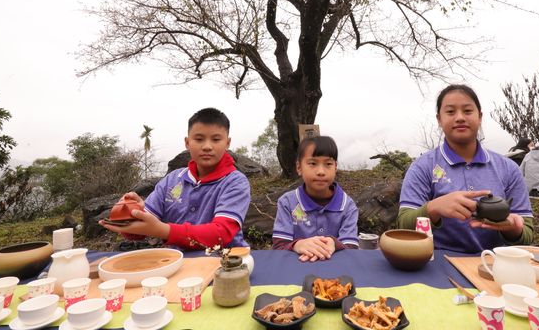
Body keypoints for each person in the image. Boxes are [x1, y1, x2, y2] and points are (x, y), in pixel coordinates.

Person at [397, 84, 534, 253]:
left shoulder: (508, 169)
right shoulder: (423, 167)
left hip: (493, 263)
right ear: (439, 119)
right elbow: (403, 224)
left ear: (480, 116)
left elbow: (527, 234)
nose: (460, 117)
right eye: (450, 112)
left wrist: (513, 227)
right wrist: (433, 208)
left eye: (468, 111)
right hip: (437, 263)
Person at [100, 107, 251, 249]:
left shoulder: (235, 182)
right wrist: (131, 213)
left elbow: (220, 234)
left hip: (226, 265)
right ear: (187, 143)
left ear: (227, 143)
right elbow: (139, 231)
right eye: (199, 139)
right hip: (177, 264)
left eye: (216, 140)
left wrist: (163, 230)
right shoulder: (172, 180)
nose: (207, 146)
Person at [272, 136, 358, 261]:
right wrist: (298, 245)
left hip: (336, 275)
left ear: (335, 167)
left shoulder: (348, 206)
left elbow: (351, 247)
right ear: (299, 168)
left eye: (328, 164)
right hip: (296, 272)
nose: (321, 171)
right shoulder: (287, 203)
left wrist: (334, 243)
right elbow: (279, 247)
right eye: (312, 163)